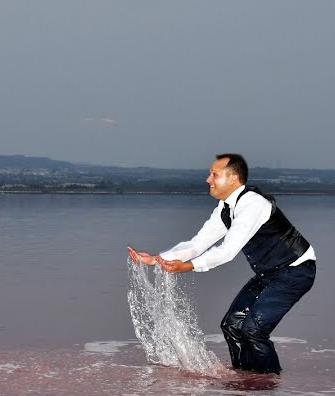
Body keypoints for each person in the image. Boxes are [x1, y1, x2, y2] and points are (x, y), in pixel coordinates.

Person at [128, 153, 315, 374]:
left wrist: (187, 267)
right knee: (231, 326)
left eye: (214, 175)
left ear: (233, 178)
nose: (208, 179)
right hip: (269, 274)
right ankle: (244, 377)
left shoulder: (253, 204)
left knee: (253, 330)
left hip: (296, 270)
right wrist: (158, 259)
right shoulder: (225, 208)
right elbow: (198, 244)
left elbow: (227, 251)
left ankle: (269, 384)